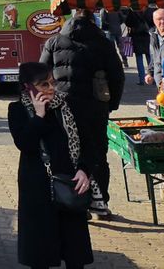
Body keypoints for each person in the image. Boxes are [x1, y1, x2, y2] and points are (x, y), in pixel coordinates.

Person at [8, 62, 93, 269]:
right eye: (43, 84)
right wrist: (38, 116)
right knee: (40, 249)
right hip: (38, 186)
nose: (50, 88)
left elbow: (89, 142)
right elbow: (25, 144)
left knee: (74, 248)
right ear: (28, 87)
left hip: (70, 181)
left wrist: (84, 170)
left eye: (52, 82)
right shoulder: (18, 110)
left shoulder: (67, 105)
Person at [40, 11, 124, 219]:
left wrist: (48, 105)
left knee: (70, 155)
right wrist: (111, 103)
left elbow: (42, 73)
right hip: (95, 107)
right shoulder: (103, 43)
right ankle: (100, 202)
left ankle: (77, 201)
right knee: (96, 153)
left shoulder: (54, 42)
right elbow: (117, 76)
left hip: (64, 109)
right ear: (92, 22)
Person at [147, 8, 164, 89]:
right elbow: (154, 57)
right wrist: (150, 73)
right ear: (153, 20)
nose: (162, 21)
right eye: (159, 19)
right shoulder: (152, 35)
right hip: (160, 83)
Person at [125, 8, 152, 85]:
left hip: (136, 36)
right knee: (149, 57)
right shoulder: (148, 10)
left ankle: (142, 80)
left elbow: (127, 23)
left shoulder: (132, 11)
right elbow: (152, 21)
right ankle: (152, 77)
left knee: (139, 57)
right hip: (147, 35)